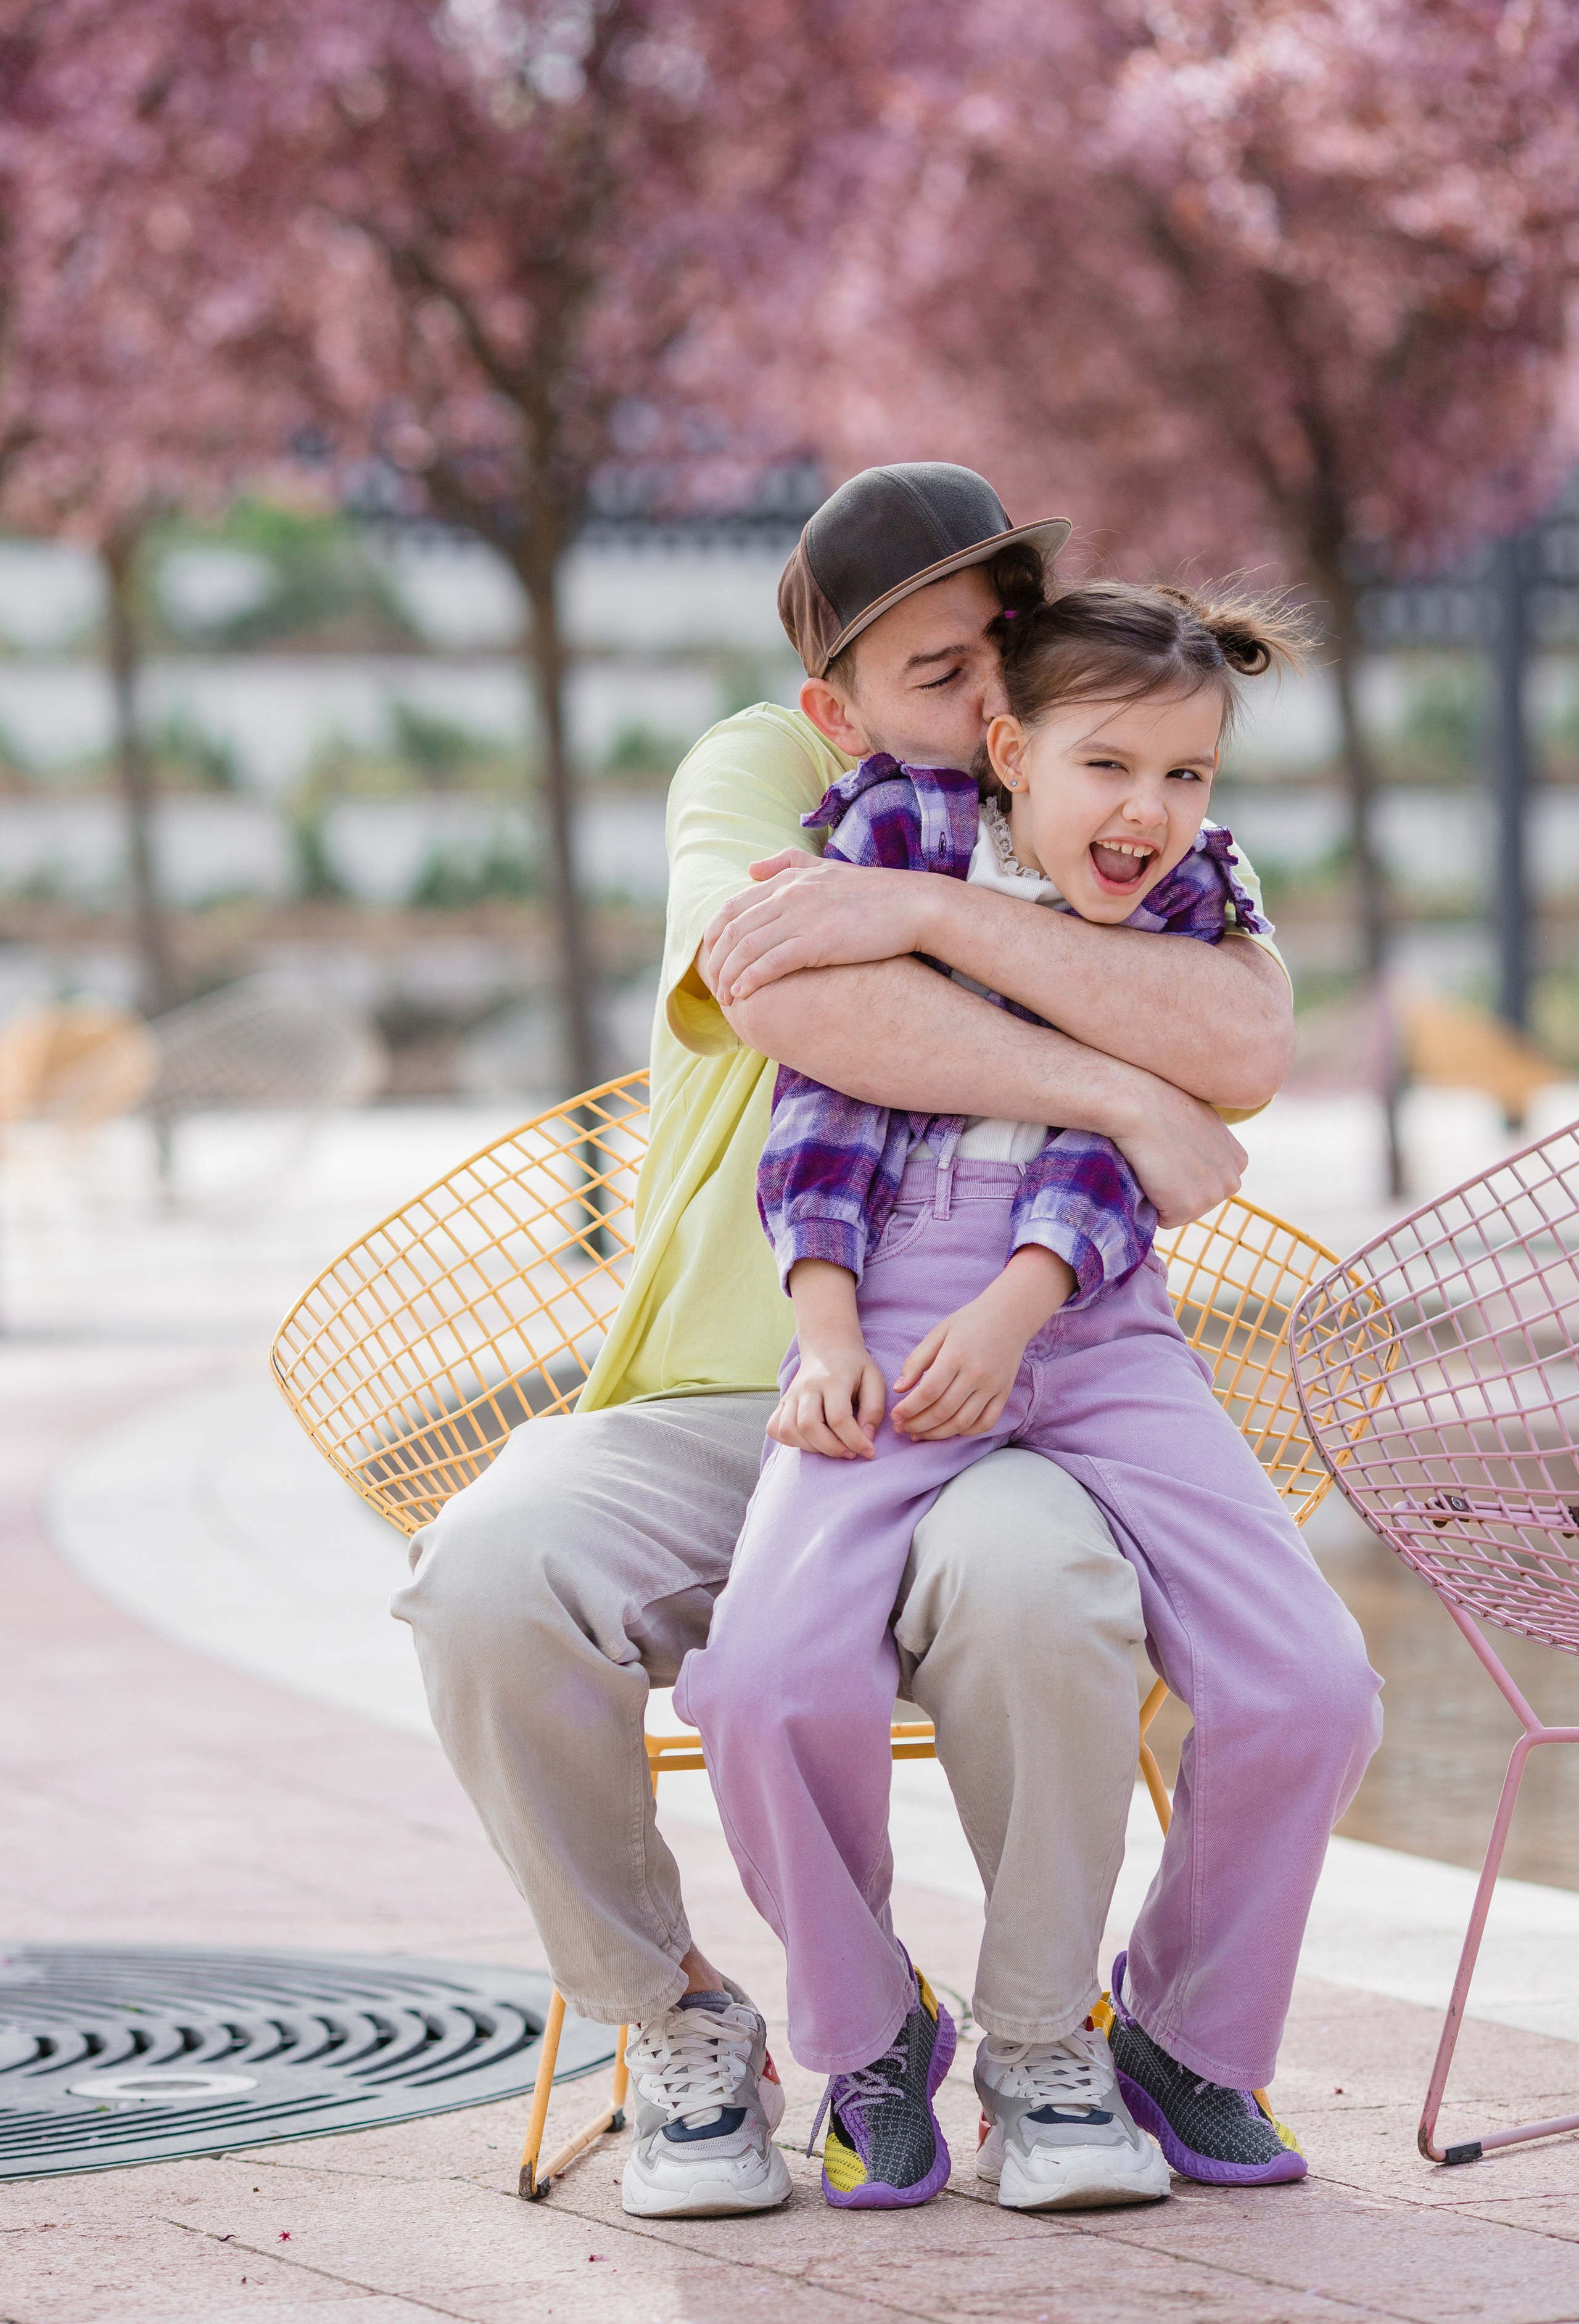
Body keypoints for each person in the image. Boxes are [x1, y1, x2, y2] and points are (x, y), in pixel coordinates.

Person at [394, 463, 1298, 2221]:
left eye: (1006, 660)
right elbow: (801, 991)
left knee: (1049, 1592)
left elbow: (1244, 1037)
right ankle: (680, 2021)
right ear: (838, 701)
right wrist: (1122, 1074)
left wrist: (972, 920)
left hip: (990, 1395)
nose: (984, 709)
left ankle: (1056, 2042)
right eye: (940, 670)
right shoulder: (766, 771)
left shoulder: (1105, 810)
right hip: (724, 1393)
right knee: (484, 1579)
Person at [675, 577, 1382, 2210]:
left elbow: (1141, 1134)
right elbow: (819, 1098)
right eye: (1110, 766)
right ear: (1011, 744)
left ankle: (1182, 2034)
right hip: (882, 1319)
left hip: (1095, 1326)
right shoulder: (890, 830)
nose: (1149, 810)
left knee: (1315, 1686)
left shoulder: (1197, 895)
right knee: (765, 1685)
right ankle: (870, 2032)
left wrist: (1025, 1301)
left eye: (1188, 775)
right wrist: (831, 1322)